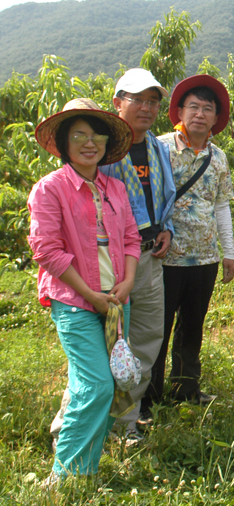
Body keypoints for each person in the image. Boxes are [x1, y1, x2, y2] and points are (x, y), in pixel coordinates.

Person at [49, 69, 175, 446]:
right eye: (138, 99)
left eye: (153, 101)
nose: (147, 108)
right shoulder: (98, 150)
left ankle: (125, 422)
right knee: (94, 349)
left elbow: (159, 197)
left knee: (145, 339)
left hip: (145, 257)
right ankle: (69, 426)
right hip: (100, 264)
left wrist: (163, 227)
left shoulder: (156, 147)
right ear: (117, 102)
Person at [28, 98, 139, 483]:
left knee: (99, 385)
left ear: (107, 143)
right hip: (75, 302)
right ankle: (64, 476)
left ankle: (84, 471)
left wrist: (127, 281)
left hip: (114, 300)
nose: (88, 143)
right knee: (95, 384)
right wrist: (90, 294)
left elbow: (130, 239)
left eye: (96, 135)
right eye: (78, 135)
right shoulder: (49, 189)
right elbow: (47, 251)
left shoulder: (115, 188)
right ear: (63, 142)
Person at [143, 74, 234, 410]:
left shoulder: (219, 158)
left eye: (207, 109)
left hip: (204, 257)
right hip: (164, 257)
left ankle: (186, 389)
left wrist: (228, 251)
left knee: (193, 326)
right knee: (158, 327)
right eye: (193, 107)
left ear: (215, 118)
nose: (199, 114)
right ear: (180, 112)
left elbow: (221, 205)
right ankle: (149, 396)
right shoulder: (160, 148)